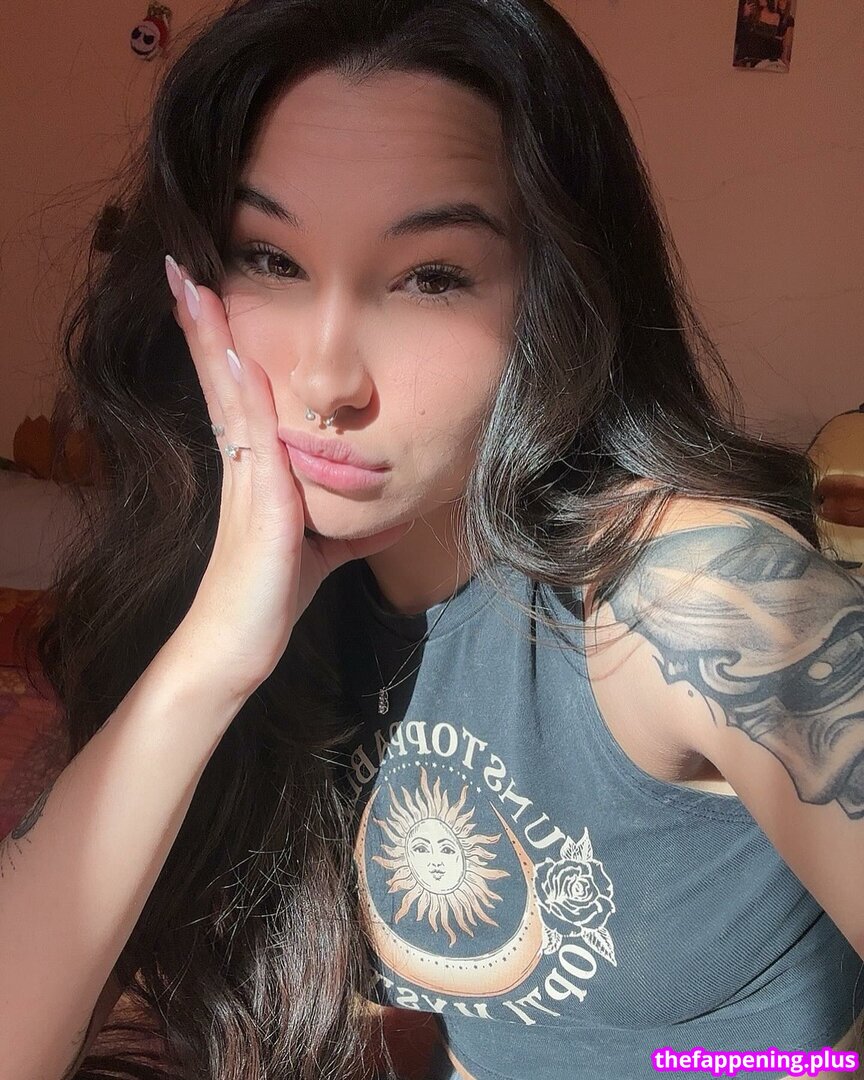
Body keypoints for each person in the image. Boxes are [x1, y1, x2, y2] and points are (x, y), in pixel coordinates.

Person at [1, 1, 861, 1078]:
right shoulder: (242, 594)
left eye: (432, 277)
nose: (327, 380)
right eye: (270, 258)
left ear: (553, 298)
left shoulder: (693, 596)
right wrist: (211, 659)